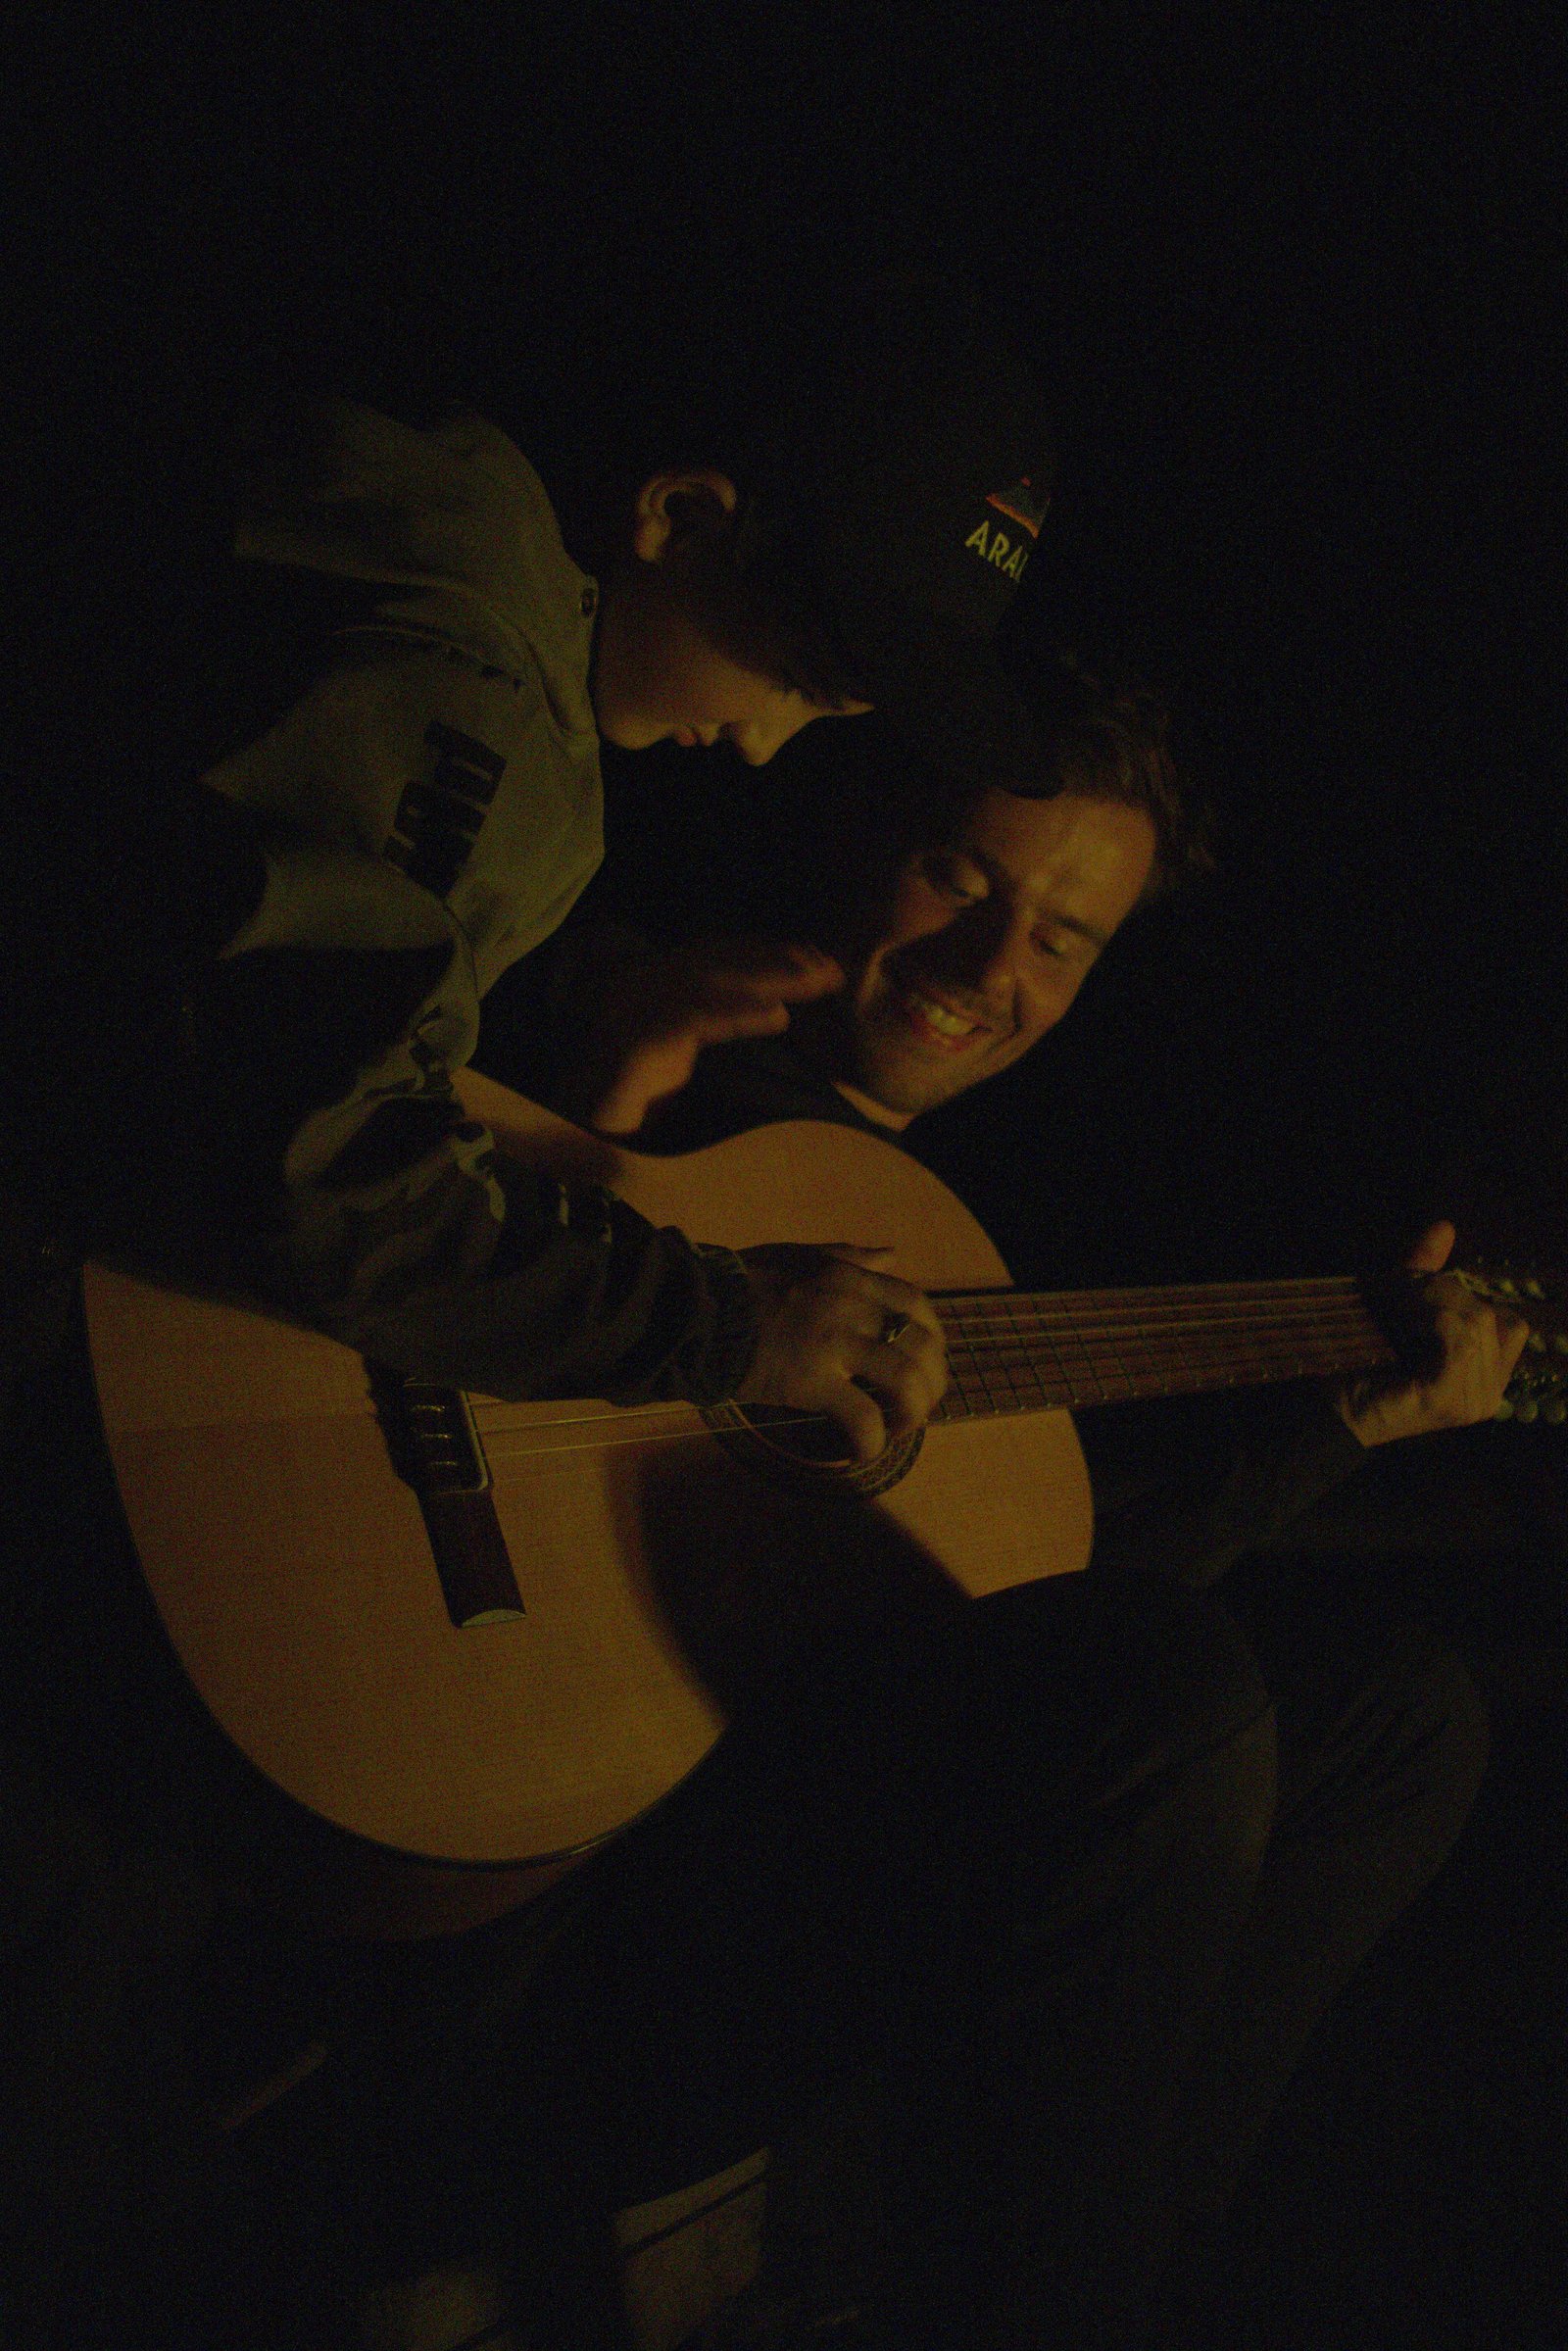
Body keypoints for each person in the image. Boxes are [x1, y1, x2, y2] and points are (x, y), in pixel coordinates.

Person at [0, 285, 1068, 2348]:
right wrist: (722, 1328)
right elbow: (324, 1175)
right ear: (679, 511)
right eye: (806, 667)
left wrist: (579, 1034)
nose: (780, 736)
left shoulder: (354, 526)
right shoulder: (461, 678)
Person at [454, 637, 1526, 2349]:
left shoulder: (928, 1227)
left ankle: (1128, 2276)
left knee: (1400, 1719)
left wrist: (1343, 1418)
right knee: (1159, 1691)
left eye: (1064, 938)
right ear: (856, 825)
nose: (991, 967)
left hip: (776, 1833)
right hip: (566, 1873)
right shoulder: (605, 991)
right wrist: (584, 1108)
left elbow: (1018, 1587)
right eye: (961, 875)